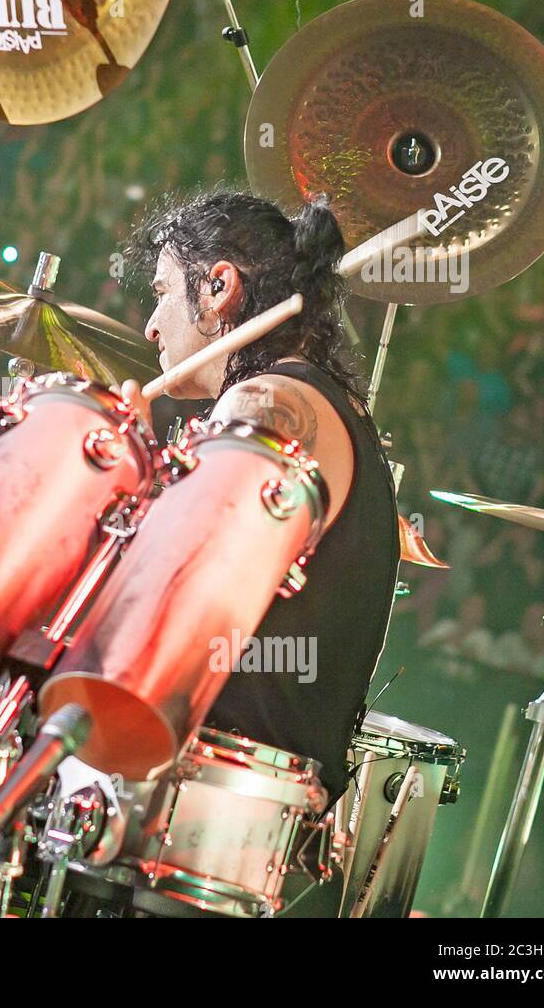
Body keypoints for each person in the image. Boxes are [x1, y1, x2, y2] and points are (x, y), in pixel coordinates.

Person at [119, 188, 401, 805]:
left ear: (218, 287)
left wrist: (128, 469)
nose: (149, 325)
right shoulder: (322, 400)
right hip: (255, 804)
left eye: (164, 292)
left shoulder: (270, 402)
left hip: (218, 801)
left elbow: (186, 587)